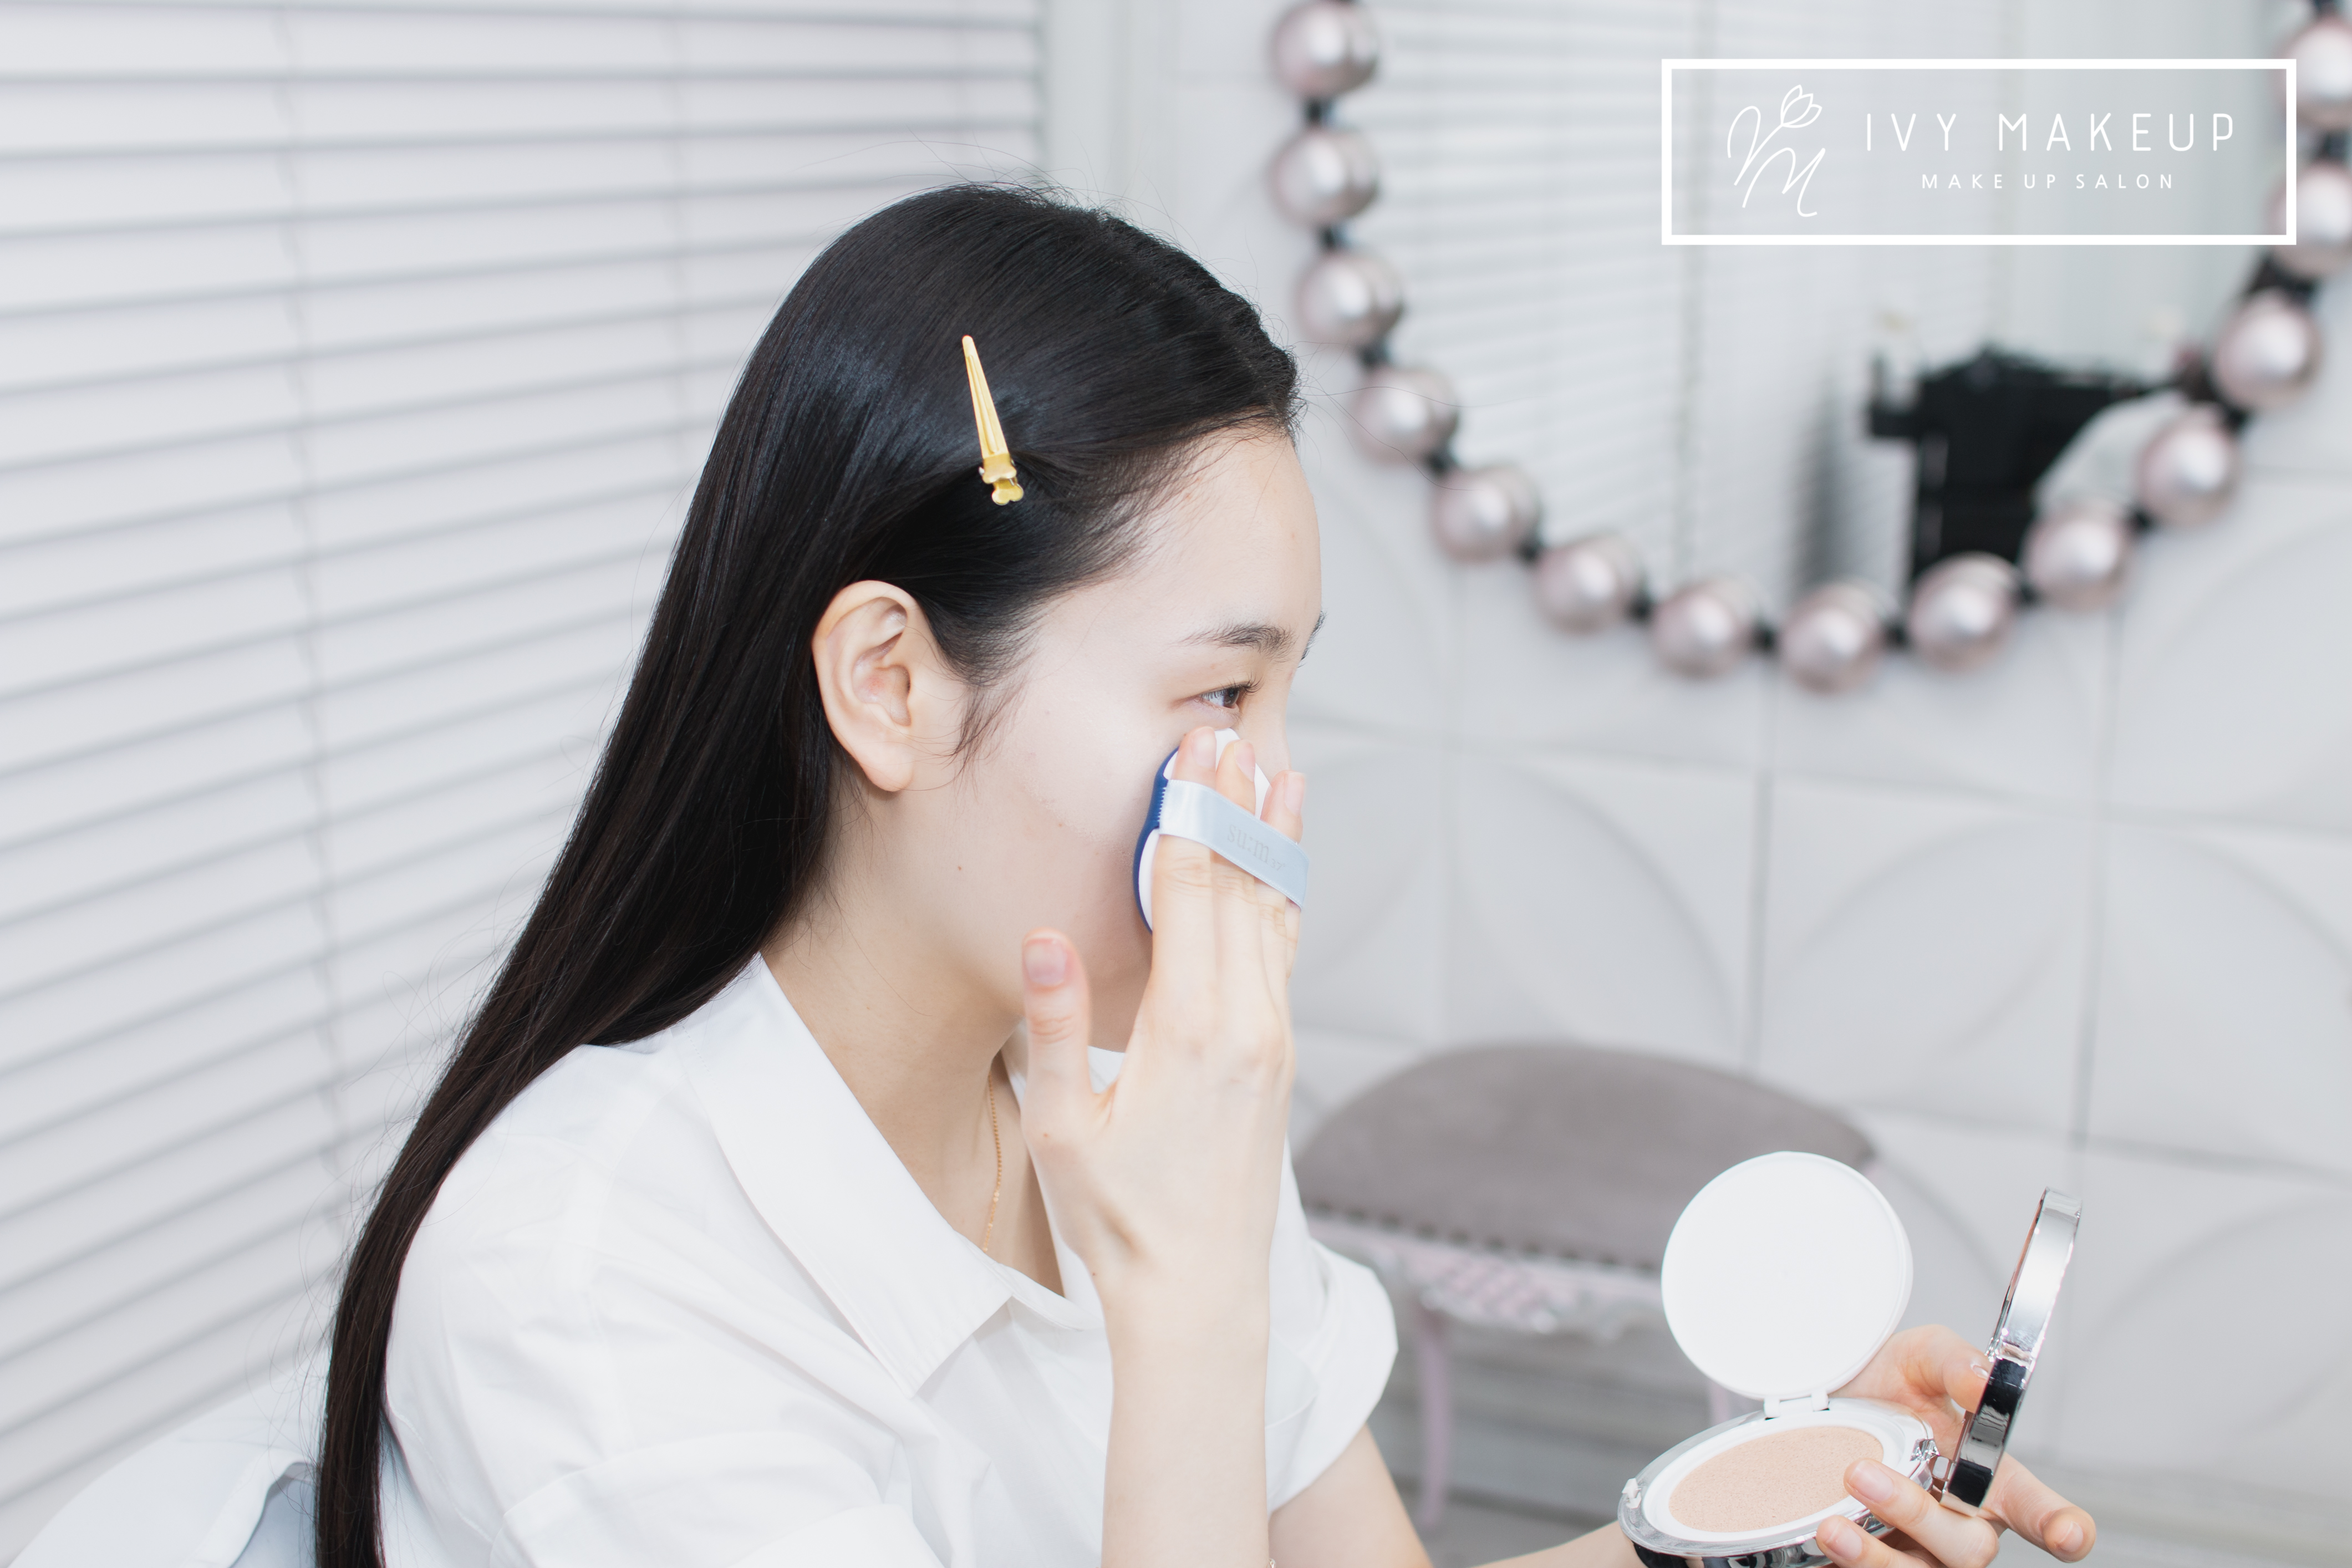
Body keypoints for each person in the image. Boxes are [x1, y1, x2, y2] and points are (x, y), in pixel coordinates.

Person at [313, 184, 2098, 1568]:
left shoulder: (1125, 1081)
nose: (1268, 792)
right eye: (1218, 694)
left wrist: (1756, 1508)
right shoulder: (587, 1282)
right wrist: (1179, 1297)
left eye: (1285, 692)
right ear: (891, 685)